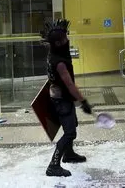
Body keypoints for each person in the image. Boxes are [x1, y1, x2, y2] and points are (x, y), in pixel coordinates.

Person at [41, 19, 92, 177]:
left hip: (61, 98)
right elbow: (70, 85)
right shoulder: (60, 62)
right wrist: (83, 101)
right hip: (61, 100)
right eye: (64, 39)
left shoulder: (53, 54)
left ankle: (68, 154)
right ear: (57, 43)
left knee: (72, 126)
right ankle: (53, 165)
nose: (67, 40)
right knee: (69, 132)